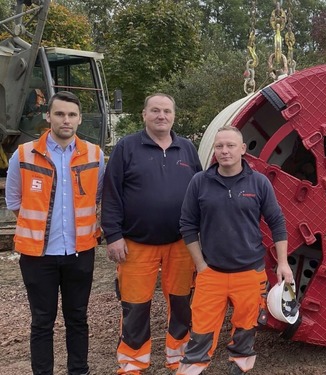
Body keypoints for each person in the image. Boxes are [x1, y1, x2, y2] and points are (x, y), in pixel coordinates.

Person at [177, 125, 294, 375]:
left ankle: (240, 370)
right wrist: (201, 266)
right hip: (212, 274)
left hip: (250, 274)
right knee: (200, 332)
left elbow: (277, 222)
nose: (224, 151)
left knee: (245, 331)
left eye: (230, 146)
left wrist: (283, 263)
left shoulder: (259, 182)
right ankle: (191, 370)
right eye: (219, 146)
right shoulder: (199, 182)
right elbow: (187, 225)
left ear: (242, 149)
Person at [101, 93, 202, 374]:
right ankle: (133, 363)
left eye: (167, 111)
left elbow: (200, 193)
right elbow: (111, 193)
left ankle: (179, 358)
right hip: (136, 243)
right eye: (155, 110)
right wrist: (113, 235)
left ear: (174, 116)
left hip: (181, 243)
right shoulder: (127, 147)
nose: (161, 116)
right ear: (144, 114)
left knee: (182, 304)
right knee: (135, 306)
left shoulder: (187, 149)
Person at [5, 91, 104, 375]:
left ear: (80, 119)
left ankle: (78, 370)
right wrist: (39, 230)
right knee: (41, 321)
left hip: (80, 252)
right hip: (37, 256)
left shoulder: (95, 155)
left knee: (77, 318)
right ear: (48, 116)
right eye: (59, 114)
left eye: (72, 115)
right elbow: (14, 201)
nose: (66, 120)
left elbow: (97, 196)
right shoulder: (24, 155)